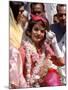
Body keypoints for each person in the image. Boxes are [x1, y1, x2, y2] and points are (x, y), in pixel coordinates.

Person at [20, 15, 64, 87]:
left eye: (42, 31)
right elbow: (19, 76)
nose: (39, 33)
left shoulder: (46, 49)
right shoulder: (23, 50)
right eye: (36, 29)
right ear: (29, 32)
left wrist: (54, 44)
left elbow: (61, 62)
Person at [50, 4, 66, 85]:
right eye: (61, 15)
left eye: (66, 14)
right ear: (57, 15)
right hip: (56, 73)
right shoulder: (51, 29)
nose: (63, 18)